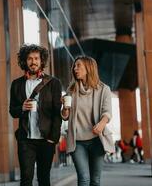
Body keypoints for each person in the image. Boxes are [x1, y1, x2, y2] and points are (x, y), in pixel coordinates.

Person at [9, 44, 62, 186]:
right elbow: (12, 111)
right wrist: (22, 107)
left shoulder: (54, 83)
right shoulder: (16, 84)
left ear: (42, 60)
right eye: (30, 58)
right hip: (25, 140)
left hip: (46, 139)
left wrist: (53, 138)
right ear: (24, 61)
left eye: (36, 58)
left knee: (44, 178)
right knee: (26, 178)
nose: (33, 62)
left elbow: (58, 113)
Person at [61, 56, 115, 186]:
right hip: (77, 141)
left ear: (89, 68)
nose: (75, 68)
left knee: (95, 180)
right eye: (74, 66)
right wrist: (65, 108)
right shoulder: (71, 89)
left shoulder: (103, 89)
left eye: (78, 65)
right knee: (83, 178)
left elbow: (107, 112)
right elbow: (65, 116)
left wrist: (101, 124)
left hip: (97, 139)